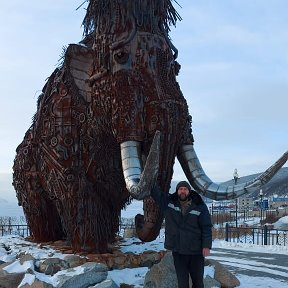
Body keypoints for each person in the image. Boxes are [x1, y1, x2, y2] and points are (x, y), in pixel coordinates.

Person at [151, 181, 212, 288]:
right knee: (182, 283)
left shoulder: (199, 206)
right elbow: (156, 194)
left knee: (198, 283)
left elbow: (206, 227)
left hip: (196, 252)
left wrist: (206, 246)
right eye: (180, 189)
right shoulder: (169, 202)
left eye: (185, 189)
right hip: (178, 251)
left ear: (189, 191)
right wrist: (150, 178)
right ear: (177, 191)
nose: (182, 191)